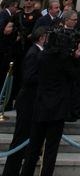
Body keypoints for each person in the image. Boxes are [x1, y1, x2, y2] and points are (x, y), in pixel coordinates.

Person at [19, 15, 80, 176]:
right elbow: (76, 76)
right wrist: (77, 57)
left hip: (41, 106)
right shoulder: (63, 60)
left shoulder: (42, 56)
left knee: (33, 149)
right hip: (57, 109)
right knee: (50, 151)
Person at [1, 27, 46, 176]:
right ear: (41, 38)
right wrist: (47, 79)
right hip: (27, 102)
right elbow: (28, 77)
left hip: (32, 102)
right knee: (20, 138)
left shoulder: (38, 52)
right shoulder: (34, 53)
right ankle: (10, 171)